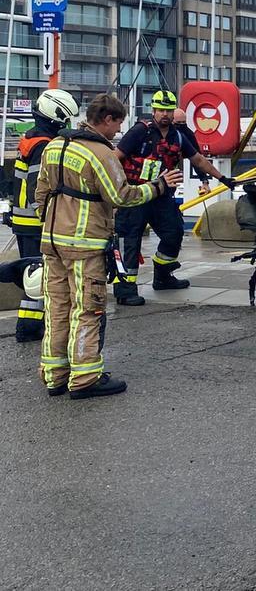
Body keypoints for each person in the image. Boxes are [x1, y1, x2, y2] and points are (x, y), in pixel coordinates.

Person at [35, 93, 181, 399]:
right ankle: (86, 377)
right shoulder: (99, 154)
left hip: (52, 242)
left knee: (57, 307)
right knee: (88, 308)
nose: (118, 132)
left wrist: (52, 224)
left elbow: (42, 194)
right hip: (85, 243)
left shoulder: (54, 146)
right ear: (107, 120)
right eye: (117, 124)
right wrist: (158, 187)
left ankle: (55, 374)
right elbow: (121, 196)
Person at [115, 90, 234, 298]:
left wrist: (222, 178)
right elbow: (114, 158)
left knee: (174, 231)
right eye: (161, 110)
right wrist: (113, 190)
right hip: (135, 194)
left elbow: (198, 159)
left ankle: (163, 276)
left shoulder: (177, 136)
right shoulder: (139, 132)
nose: (165, 115)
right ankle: (125, 290)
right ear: (153, 110)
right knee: (130, 240)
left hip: (161, 196)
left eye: (168, 110)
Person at [8, 90, 78, 342]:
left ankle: (31, 325)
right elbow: (41, 185)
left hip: (23, 219)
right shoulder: (43, 145)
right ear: (55, 115)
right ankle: (28, 328)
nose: (66, 126)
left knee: (33, 272)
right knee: (36, 275)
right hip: (36, 221)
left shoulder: (30, 138)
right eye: (64, 121)